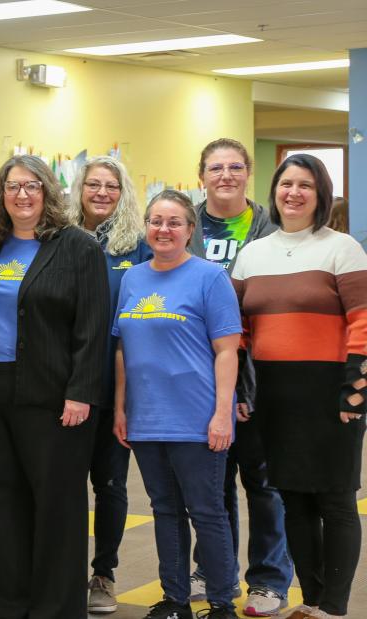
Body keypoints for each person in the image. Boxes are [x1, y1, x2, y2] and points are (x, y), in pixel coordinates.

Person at [0, 154, 108, 618]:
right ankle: (13, 604)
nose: (21, 195)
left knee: (56, 505)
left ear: (48, 192)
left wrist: (81, 391)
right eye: (12, 187)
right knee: (2, 500)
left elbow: (92, 326)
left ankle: (57, 608)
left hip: (53, 397)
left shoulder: (77, 247)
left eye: (31, 186)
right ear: (1, 195)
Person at [231, 154, 367, 619]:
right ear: (274, 190)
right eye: (286, 183)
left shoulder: (342, 247)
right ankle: (309, 600)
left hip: (331, 392)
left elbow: (363, 322)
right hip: (274, 394)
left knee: (335, 498)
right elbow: (239, 332)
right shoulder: (253, 254)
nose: (293, 192)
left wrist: (356, 392)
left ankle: (333, 605)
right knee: (293, 499)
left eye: (305, 185)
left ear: (320, 193)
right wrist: (239, 391)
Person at [113, 189, 242, 619]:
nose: (163, 229)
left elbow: (228, 350)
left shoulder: (209, 278)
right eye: (155, 220)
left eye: (173, 222)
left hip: (196, 418)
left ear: (190, 230)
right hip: (146, 418)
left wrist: (223, 414)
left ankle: (222, 601)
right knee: (164, 510)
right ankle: (175, 600)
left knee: (206, 512)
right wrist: (120, 408)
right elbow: (122, 351)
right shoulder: (132, 278)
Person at [188, 138, 291, 617]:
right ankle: (213, 568)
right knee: (211, 483)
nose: (224, 175)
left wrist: (247, 388)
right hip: (197, 374)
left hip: (260, 373)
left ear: (248, 172)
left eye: (234, 167)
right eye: (215, 167)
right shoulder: (183, 225)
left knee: (263, 482)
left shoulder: (271, 227)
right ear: (201, 174)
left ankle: (269, 580)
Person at [67, 156, 152, 615]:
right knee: (63, 484)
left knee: (112, 486)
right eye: (94, 184)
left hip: (116, 391)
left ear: (124, 194)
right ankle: (63, 572)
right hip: (65, 390)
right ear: (79, 188)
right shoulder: (59, 239)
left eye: (112, 187)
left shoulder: (135, 248)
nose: (102, 192)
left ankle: (104, 573)